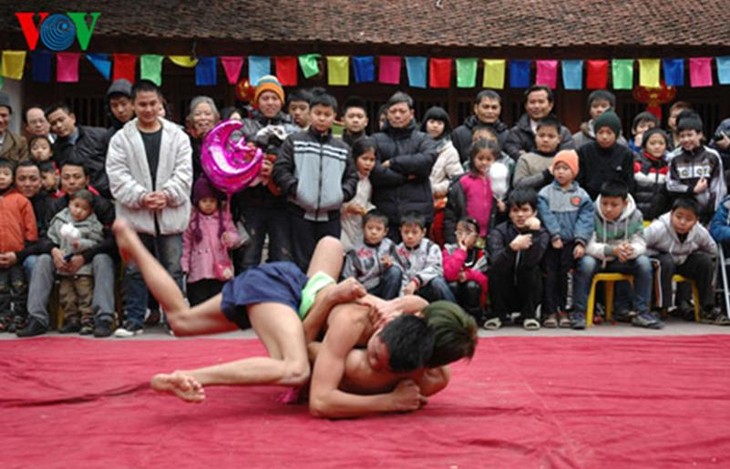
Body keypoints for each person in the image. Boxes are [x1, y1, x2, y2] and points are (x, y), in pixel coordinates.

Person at [113, 219, 477, 417]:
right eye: (375, 353)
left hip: (304, 292)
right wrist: (386, 402)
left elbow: (424, 309)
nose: (373, 360)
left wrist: (400, 305)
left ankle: (132, 241)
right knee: (295, 367)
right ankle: (189, 377)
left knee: (181, 321)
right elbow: (319, 391)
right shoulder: (360, 320)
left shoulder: (427, 359)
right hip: (284, 290)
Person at [106, 79, 193, 337]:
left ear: (161, 103)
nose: (147, 109)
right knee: (133, 269)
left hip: (170, 212)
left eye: (152, 103)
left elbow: (185, 171)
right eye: (142, 104)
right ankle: (133, 319)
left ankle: (175, 319)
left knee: (173, 268)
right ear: (133, 105)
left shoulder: (178, 135)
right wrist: (141, 197)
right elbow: (117, 174)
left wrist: (167, 195)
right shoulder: (121, 138)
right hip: (136, 215)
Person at [17, 158, 117, 338]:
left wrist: (84, 257)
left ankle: (103, 318)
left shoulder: (101, 205)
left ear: (87, 180)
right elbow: (44, 237)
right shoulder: (55, 205)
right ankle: (37, 318)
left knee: (103, 259)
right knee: (42, 260)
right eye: (66, 177)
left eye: (77, 177)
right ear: (60, 179)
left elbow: (112, 242)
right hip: (61, 255)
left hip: (92, 256)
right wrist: (54, 251)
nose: (71, 182)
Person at [273, 90, 358, 271]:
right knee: (300, 264)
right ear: (310, 114)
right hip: (299, 214)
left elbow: (352, 176)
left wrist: (341, 195)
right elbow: (280, 169)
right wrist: (297, 189)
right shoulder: (294, 141)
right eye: (318, 113)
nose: (322, 118)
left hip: (331, 217)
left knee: (327, 265)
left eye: (327, 115)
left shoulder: (342, 147)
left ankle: (323, 299)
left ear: (335, 117)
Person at [570, 181, 660, 330]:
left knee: (644, 263)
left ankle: (642, 313)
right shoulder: (591, 212)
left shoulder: (636, 215)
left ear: (624, 204)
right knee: (586, 263)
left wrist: (630, 250)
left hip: (623, 258)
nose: (608, 209)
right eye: (605, 203)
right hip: (599, 258)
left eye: (614, 204)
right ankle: (579, 312)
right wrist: (612, 250)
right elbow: (589, 245)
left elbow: (640, 242)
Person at [232, 75, 299, 271]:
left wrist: (275, 169)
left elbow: (296, 163)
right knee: (248, 258)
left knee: (282, 257)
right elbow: (235, 156)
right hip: (250, 202)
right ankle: (245, 300)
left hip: (282, 203)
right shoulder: (244, 126)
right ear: (256, 101)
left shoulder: (292, 130)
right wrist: (255, 164)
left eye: (274, 98)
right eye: (265, 98)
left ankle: (280, 299)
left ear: (282, 101)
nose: (270, 102)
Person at [647, 197, 729, 325]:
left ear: (696, 221)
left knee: (704, 261)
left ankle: (706, 308)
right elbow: (639, 244)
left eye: (688, 219)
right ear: (671, 214)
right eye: (678, 217)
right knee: (665, 262)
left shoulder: (700, 232)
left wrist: (693, 251)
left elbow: (713, 250)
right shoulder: (658, 228)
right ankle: (659, 307)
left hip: (683, 260)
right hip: (659, 260)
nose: (682, 222)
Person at [370, 91, 438, 241]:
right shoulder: (375, 139)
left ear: (412, 113)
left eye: (402, 111)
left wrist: (394, 163)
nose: (397, 115)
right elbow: (375, 171)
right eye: (393, 111)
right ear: (387, 114)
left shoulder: (423, 139)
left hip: (417, 215)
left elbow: (426, 161)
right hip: (385, 215)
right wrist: (406, 176)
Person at [537, 150, 594, 328]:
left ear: (574, 171)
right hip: (551, 244)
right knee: (550, 276)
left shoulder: (582, 195)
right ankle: (550, 311)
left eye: (565, 168)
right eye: (557, 168)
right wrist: (554, 235)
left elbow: (585, 219)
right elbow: (546, 216)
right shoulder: (545, 193)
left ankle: (565, 310)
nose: (561, 172)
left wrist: (580, 241)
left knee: (567, 276)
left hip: (570, 244)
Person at [485, 188, 548, 330]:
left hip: (527, 291)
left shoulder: (542, 233)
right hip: (503, 291)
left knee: (533, 270)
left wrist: (534, 234)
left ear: (534, 213)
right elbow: (496, 262)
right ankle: (498, 314)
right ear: (509, 213)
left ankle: (529, 315)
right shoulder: (499, 232)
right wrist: (511, 249)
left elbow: (533, 260)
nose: (520, 215)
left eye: (525, 210)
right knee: (495, 268)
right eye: (515, 210)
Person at [46, 189, 105, 334]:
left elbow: (97, 241)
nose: (79, 211)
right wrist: (55, 250)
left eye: (84, 209)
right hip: (64, 268)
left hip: (83, 268)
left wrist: (81, 244)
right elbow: (50, 238)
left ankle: (87, 319)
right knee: (66, 295)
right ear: (69, 204)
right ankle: (71, 319)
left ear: (90, 210)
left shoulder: (92, 223)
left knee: (85, 293)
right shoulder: (60, 220)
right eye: (76, 206)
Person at [182, 176, 239, 307]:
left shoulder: (224, 218)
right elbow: (186, 245)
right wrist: (185, 266)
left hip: (219, 269)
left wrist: (229, 238)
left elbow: (235, 236)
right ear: (197, 202)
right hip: (198, 270)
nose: (208, 204)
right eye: (204, 201)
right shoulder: (192, 221)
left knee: (218, 301)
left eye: (212, 201)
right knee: (198, 301)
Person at [667, 112, 726, 224]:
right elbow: (671, 185)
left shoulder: (712, 156)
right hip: (682, 215)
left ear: (699, 134)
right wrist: (692, 190)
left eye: (690, 135)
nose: (686, 139)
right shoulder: (674, 157)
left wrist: (713, 214)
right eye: (682, 136)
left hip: (708, 215)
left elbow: (719, 188)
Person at [0, 158, 37, 333]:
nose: (1, 178)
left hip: (16, 253)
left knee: (19, 286)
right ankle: (3, 316)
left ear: (12, 178)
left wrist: (22, 251)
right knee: (2, 288)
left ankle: (19, 316)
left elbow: (30, 228)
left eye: (5, 174)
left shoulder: (21, 200)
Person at [443, 139, 502, 245]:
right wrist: (452, 239)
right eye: (480, 158)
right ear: (473, 158)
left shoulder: (498, 181)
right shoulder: (464, 181)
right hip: (466, 235)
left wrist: (503, 207)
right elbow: (451, 213)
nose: (484, 162)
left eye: (489, 159)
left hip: (490, 235)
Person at [5, 161, 55, 281]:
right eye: (22, 179)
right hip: (7, 251)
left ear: (40, 181)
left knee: (33, 263)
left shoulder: (49, 204)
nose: (27, 184)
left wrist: (18, 256)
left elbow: (48, 239)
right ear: (14, 181)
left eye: (33, 179)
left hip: (35, 253)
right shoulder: (6, 201)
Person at [423, 106, 464, 246]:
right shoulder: (416, 143)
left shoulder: (450, 150)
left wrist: (433, 188)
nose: (435, 126)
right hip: (416, 199)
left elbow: (456, 178)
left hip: (438, 204)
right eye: (432, 121)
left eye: (440, 123)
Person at [394, 211, 455, 302]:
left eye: (414, 232)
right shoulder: (398, 250)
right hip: (407, 289)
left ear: (423, 232)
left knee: (438, 282)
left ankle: (453, 310)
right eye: (406, 232)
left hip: (427, 287)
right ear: (400, 231)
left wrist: (416, 281)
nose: (410, 236)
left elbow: (436, 269)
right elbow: (402, 276)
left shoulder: (431, 247)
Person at [342, 210, 402, 300]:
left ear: (385, 232)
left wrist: (391, 263)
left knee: (395, 272)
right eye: (370, 228)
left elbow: (402, 266)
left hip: (384, 285)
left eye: (378, 229)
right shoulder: (355, 250)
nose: (373, 232)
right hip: (364, 289)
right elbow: (348, 276)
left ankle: (387, 305)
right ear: (363, 228)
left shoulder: (389, 245)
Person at [504, 85, 574, 161]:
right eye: (532, 102)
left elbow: (565, 159)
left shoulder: (563, 132)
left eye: (541, 102)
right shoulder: (516, 133)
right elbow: (516, 156)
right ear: (526, 106)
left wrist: (527, 156)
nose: (536, 106)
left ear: (550, 105)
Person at [577, 110, 635, 200]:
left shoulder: (626, 154)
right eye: (600, 132)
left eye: (609, 132)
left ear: (616, 134)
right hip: (587, 199)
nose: (604, 137)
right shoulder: (584, 151)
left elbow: (628, 183)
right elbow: (579, 180)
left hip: (615, 201)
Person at [442, 217, 488, 323]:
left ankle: (474, 319)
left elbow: (486, 282)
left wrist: (468, 275)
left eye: (468, 233)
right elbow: (449, 274)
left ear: (476, 236)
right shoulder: (449, 250)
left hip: (475, 298)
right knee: (453, 285)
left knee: (471, 285)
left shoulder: (482, 253)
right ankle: (454, 318)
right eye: (459, 232)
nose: (463, 237)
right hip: (455, 293)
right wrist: (462, 251)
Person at [451, 90, 509, 163]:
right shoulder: (459, 134)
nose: (490, 111)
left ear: (500, 109)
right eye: (486, 107)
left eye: (494, 107)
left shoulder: (506, 135)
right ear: (476, 108)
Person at [340, 137, 376, 251]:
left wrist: (370, 211)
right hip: (343, 225)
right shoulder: (345, 177)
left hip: (359, 226)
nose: (368, 164)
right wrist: (347, 208)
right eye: (364, 159)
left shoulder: (368, 181)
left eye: (372, 160)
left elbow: (367, 201)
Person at [513, 115, 562, 190]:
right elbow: (518, 184)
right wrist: (545, 175)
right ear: (535, 137)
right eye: (541, 136)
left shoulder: (563, 160)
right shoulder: (526, 159)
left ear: (559, 139)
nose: (545, 140)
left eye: (551, 136)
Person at [633, 127, 671, 221]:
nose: (657, 147)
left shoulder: (669, 167)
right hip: (637, 219)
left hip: (660, 220)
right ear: (645, 145)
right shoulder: (637, 165)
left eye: (661, 143)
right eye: (652, 143)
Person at [187, 96, 221, 183]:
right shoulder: (186, 142)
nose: (203, 118)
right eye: (197, 114)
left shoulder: (223, 141)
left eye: (208, 114)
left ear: (215, 118)